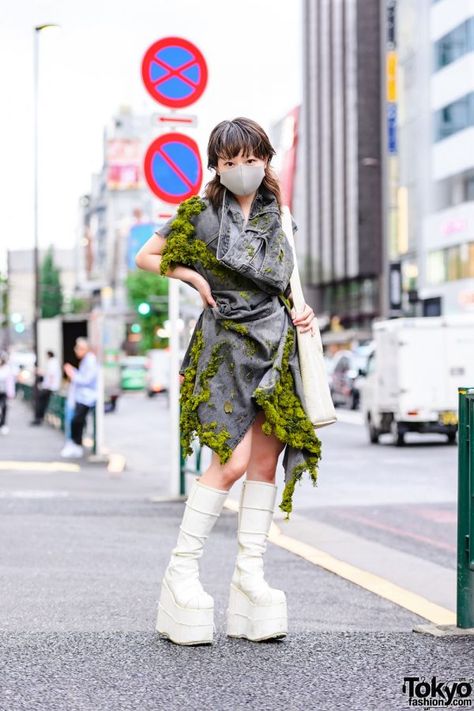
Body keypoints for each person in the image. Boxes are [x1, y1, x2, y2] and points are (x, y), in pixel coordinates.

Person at [135, 117, 321, 646]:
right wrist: (193, 276)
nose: (241, 170)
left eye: (250, 158)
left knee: (264, 461)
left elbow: (288, 282)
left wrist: (301, 312)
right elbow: (146, 255)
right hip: (224, 347)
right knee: (232, 461)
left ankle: (250, 577)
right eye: (230, 161)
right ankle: (182, 574)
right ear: (216, 165)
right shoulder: (199, 214)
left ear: (266, 159)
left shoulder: (279, 215)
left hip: (276, 343)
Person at [60, 338, 98, 458]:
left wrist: (73, 373)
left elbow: (86, 379)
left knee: (77, 421)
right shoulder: (86, 361)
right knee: (77, 422)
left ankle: (76, 445)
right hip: (82, 397)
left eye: (78, 348)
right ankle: (76, 444)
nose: (76, 350)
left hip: (87, 397)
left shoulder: (90, 361)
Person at [30, 350, 61, 426]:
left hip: (49, 387)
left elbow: (51, 375)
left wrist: (47, 385)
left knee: (40, 402)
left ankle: (39, 418)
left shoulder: (52, 363)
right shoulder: (54, 362)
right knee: (43, 403)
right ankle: (40, 418)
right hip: (50, 387)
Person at [0, 352, 16, 435]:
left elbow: (10, 382)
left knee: (4, 407)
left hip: (3, 392)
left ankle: (3, 424)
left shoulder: (7, 368)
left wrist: (11, 393)